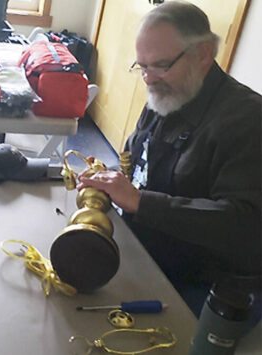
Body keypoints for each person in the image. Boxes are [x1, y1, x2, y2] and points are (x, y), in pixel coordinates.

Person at [77, 1, 261, 317]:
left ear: (203, 53)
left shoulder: (249, 119)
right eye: (142, 67)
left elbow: (245, 226)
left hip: (205, 283)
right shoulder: (167, 92)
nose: (148, 79)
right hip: (146, 249)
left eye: (160, 65)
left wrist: (139, 201)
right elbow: (134, 161)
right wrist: (107, 178)